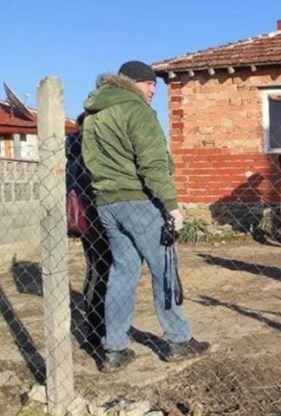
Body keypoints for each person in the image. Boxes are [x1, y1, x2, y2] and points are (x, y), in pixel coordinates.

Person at [81, 60, 209, 372]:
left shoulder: (93, 115)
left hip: (106, 204)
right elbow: (153, 163)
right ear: (131, 82)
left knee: (122, 273)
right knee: (165, 268)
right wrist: (172, 206)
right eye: (149, 83)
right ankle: (178, 340)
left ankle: (114, 349)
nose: (153, 89)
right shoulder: (136, 110)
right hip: (139, 201)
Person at [66, 112, 111, 352]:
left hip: (86, 222)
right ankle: (97, 332)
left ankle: (95, 330)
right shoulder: (88, 150)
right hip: (97, 219)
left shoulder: (73, 150)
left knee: (95, 270)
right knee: (101, 272)